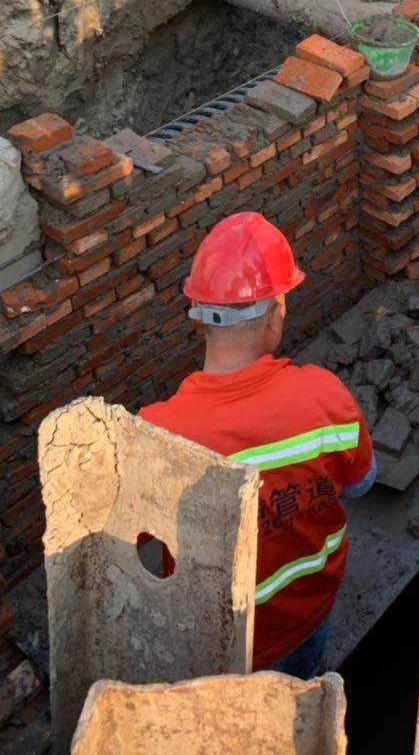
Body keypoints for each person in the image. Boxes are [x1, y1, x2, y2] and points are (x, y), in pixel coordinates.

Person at [141, 212, 375, 679]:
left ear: (201, 319)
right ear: (275, 313)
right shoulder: (324, 396)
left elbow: (143, 542)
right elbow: (361, 483)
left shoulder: (155, 435)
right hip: (311, 611)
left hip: (217, 644)